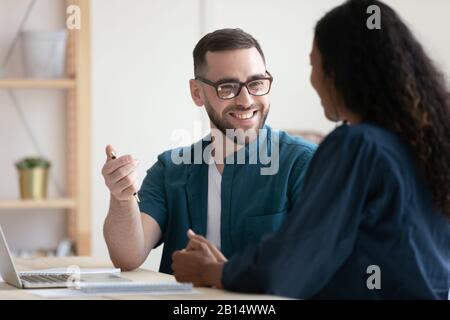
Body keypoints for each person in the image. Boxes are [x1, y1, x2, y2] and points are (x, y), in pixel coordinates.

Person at [172, 0, 450, 299]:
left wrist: (210, 271)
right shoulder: (427, 142)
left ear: (338, 72)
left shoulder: (357, 146)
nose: (312, 79)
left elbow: (293, 265)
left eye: (313, 64)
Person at [101, 28, 316, 274]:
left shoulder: (305, 163)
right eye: (227, 87)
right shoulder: (171, 168)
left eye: (256, 83)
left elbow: (315, 266)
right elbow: (127, 257)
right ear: (197, 93)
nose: (246, 100)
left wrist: (219, 272)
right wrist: (121, 197)